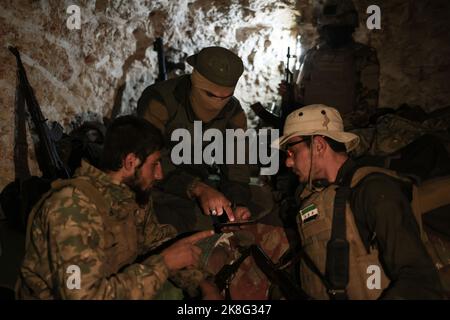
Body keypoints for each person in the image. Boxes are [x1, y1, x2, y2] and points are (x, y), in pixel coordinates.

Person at [16, 115, 218, 299]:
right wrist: (163, 264)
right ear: (130, 162)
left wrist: (201, 283)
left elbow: (157, 242)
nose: (160, 175)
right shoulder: (72, 208)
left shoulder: (131, 197)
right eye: (154, 164)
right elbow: (81, 297)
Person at [274, 104, 444, 299]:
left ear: (319, 145)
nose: (288, 162)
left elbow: (420, 280)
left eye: (291, 152)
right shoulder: (318, 197)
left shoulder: (373, 190)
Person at [137, 46, 252, 232]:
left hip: (200, 186)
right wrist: (196, 188)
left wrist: (238, 204)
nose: (218, 103)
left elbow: (236, 166)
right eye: (211, 95)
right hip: (154, 188)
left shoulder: (233, 111)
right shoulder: (160, 101)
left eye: (226, 96)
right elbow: (149, 161)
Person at [280, 0, 379, 130]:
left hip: (345, 131)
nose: (332, 34)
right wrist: (288, 97)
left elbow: (367, 108)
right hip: (310, 128)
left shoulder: (363, 56)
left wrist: (334, 128)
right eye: (329, 29)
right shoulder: (313, 55)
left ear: (349, 28)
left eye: (338, 29)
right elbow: (300, 97)